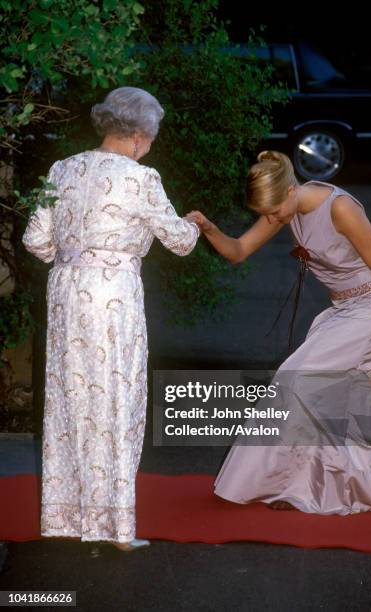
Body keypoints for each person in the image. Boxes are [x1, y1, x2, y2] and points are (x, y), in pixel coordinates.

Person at [22, 87, 200, 551]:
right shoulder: (140, 178)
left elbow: (36, 240)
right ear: (139, 135)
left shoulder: (63, 168)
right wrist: (195, 225)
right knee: (115, 396)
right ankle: (115, 528)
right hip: (112, 293)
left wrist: (72, 257)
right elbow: (179, 242)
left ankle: (64, 517)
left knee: (69, 396)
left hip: (65, 290)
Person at [186, 150, 371, 515]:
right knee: (354, 399)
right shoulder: (286, 206)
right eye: (266, 215)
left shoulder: (340, 208)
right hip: (343, 311)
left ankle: (285, 482)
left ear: (290, 191)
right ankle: (304, 484)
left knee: (296, 379)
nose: (273, 220)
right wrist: (208, 228)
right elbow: (238, 251)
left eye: (275, 212)